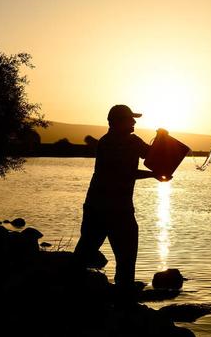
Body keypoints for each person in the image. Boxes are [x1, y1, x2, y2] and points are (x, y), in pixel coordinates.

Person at [73, 104, 160, 299]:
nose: (134, 122)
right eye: (130, 119)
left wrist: (161, 139)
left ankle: (121, 299)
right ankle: (76, 294)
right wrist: (154, 174)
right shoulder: (108, 143)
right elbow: (123, 173)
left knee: (120, 257)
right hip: (105, 209)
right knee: (90, 254)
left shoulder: (132, 141)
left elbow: (152, 155)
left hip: (113, 208)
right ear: (118, 122)